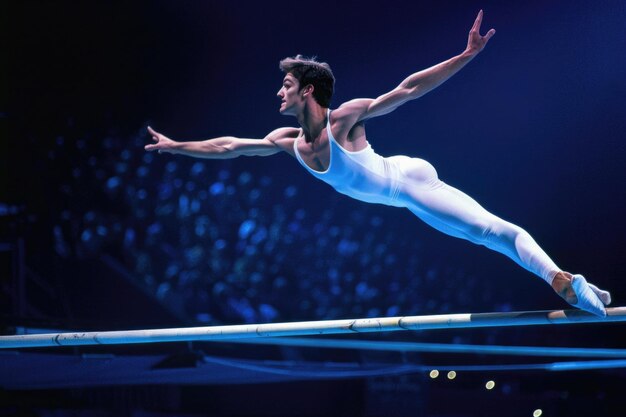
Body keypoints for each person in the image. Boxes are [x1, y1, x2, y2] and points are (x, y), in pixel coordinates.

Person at [145, 11, 610, 316]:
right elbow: (228, 147)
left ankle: (561, 279)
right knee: (488, 238)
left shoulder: (342, 120)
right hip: (399, 199)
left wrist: (465, 55)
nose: (279, 92)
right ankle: (587, 294)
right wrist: (175, 144)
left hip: (407, 181)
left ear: (308, 90)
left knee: (494, 233)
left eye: (286, 84)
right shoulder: (286, 141)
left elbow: (407, 90)